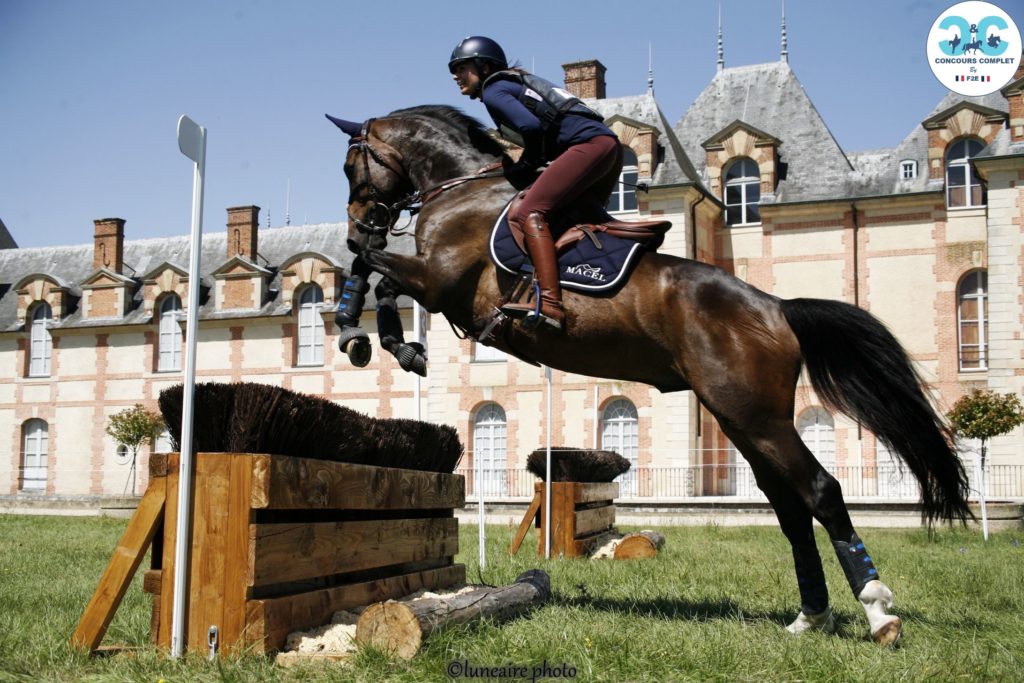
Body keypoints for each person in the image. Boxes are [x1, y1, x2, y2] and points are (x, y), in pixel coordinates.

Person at [449, 36, 623, 331]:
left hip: (589, 146)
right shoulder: (513, 83)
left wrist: (528, 163)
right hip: (606, 147)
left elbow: (529, 127)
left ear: (485, 66)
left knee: (528, 212)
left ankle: (551, 303)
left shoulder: (494, 89)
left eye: (462, 68)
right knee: (576, 218)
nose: (456, 76)